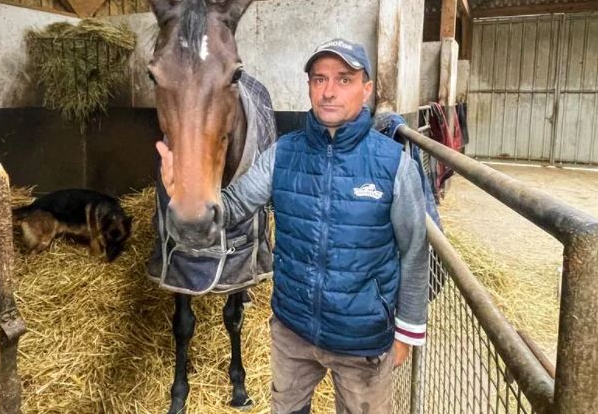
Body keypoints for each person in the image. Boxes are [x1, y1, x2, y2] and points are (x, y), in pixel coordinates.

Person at [157, 38, 429, 414]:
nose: (328, 91)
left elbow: (414, 251)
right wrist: (185, 202)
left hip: (361, 339)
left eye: (343, 79)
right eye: (319, 79)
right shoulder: (283, 153)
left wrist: (406, 332)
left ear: (366, 90)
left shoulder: (394, 164)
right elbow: (232, 207)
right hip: (292, 330)